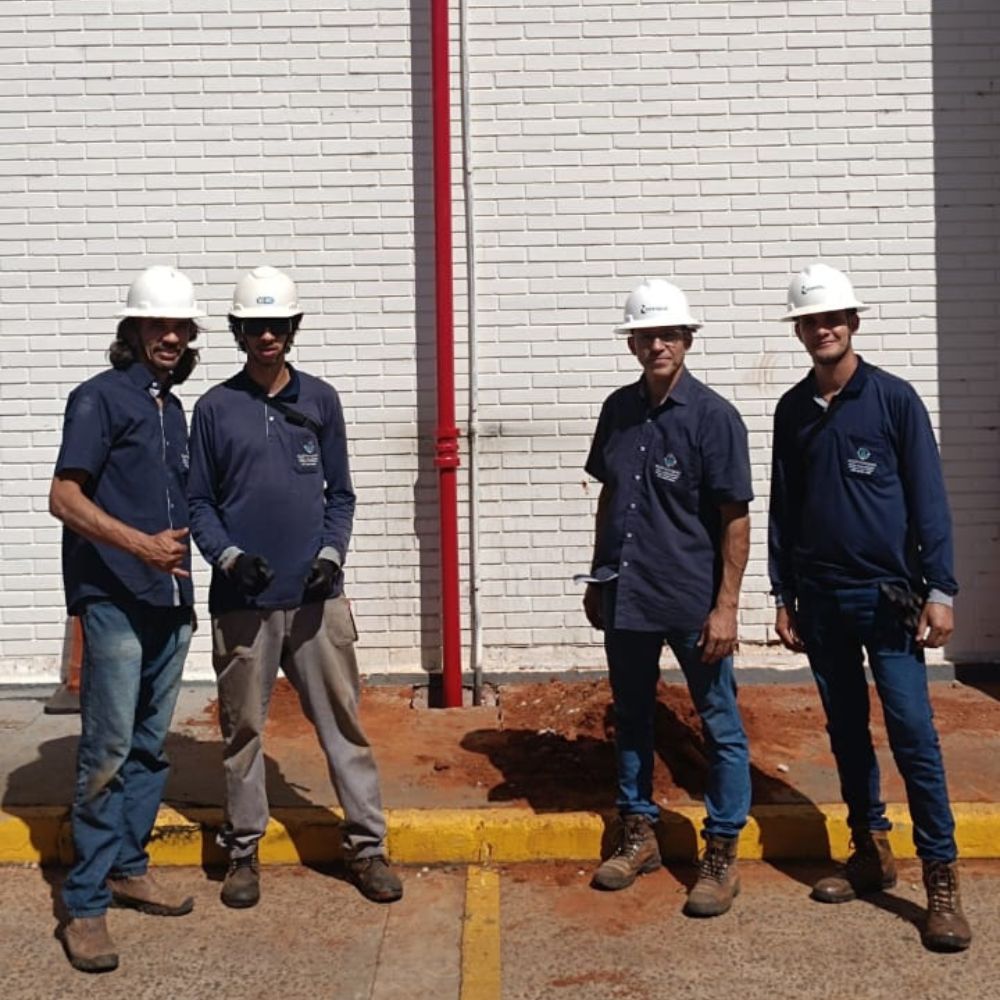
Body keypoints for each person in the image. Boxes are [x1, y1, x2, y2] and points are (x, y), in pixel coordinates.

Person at [768, 262, 971, 952]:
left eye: (832, 318)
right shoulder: (793, 410)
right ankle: (870, 850)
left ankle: (940, 878)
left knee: (913, 733)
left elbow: (928, 497)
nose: (822, 329)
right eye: (811, 321)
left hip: (889, 597)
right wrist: (783, 593)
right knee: (847, 732)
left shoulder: (893, 400)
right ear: (799, 331)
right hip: (821, 598)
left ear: (852, 323)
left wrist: (940, 589)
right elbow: (785, 507)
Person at [187, 265, 401, 909]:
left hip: (315, 604)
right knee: (243, 731)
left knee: (343, 725)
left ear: (292, 328)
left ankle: (367, 847)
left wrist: (332, 556)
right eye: (254, 326)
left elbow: (341, 495)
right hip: (243, 603)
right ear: (239, 331)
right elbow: (199, 503)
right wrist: (228, 558)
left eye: (277, 325)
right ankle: (243, 852)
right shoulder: (214, 409)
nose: (266, 336)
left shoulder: (321, 401)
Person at [582, 278, 753, 917]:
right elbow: (609, 495)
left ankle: (722, 850)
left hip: (691, 602)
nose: (657, 345)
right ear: (632, 343)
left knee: (720, 723)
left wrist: (726, 607)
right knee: (632, 715)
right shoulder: (617, 410)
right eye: (646, 335)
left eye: (669, 335)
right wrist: (599, 576)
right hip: (627, 594)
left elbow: (735, 518)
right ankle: (639, 832)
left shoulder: (715, 418)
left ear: (687, 340)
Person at [49, 265, 203, 973]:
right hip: (113, 598)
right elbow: (64, 498)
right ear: (133, 329)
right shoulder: (97, 398)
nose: (169, 337)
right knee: (107, 750)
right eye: (157, 325)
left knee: (147, 747)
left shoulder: (173, 409)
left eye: (180, 327)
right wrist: (140, 547)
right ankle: (84, 906)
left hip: (169, 603)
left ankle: (127, 867)